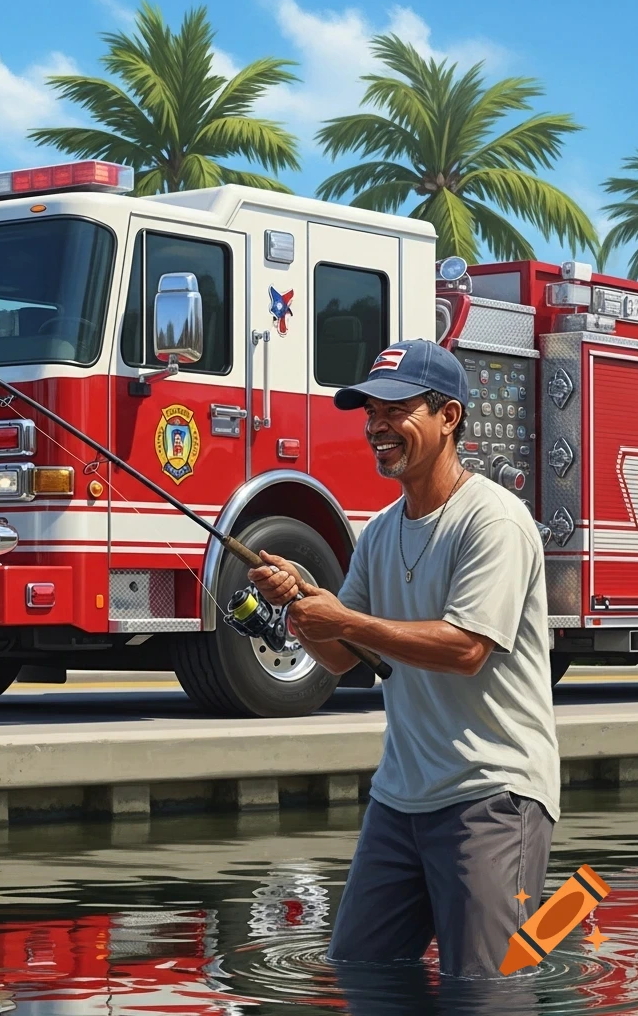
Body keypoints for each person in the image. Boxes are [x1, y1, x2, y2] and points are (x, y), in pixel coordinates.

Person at [248, 338, 560, 980]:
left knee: (487, 988)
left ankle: (549, 933)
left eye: (395, 407)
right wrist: (302, 608)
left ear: (449, 417)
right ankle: (542, 931)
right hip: (400, 800)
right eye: (369, 412)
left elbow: (468, 649)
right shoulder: (383, 530)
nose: (376, 426)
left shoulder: (493, 521)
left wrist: (343, 616)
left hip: (492, 795)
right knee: (360, 971)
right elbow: (342, 658)